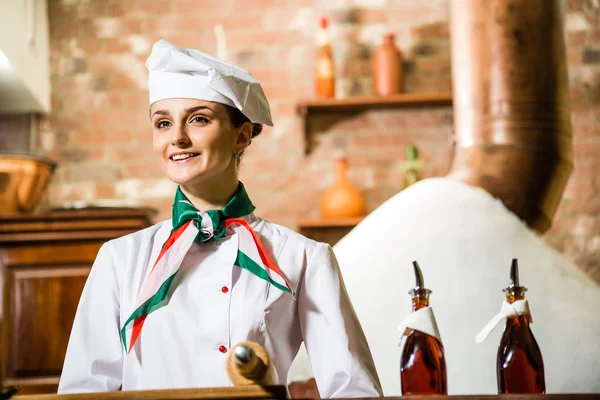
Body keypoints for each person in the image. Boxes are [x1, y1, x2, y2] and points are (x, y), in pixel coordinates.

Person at [58, 40, 382, 398]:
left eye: (198, 119)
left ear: (242, 136)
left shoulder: (303, 257)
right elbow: (83, 392)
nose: (178, 138)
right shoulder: (120, 260)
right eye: (163, 123)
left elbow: (353, 390)